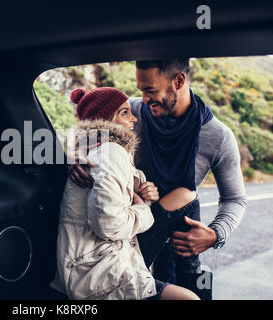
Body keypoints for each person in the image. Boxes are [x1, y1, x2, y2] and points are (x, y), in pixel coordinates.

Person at [68, 59, 247, 300]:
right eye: (141, 90)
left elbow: (235, 199)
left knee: (179, 269)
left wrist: (215, 234)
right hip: (129, 230)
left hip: (175, 236)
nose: (142, 99)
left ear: (179, 81)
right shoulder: (131, 114)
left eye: (150, 90)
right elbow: (92, 124)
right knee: (188, 198)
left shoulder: (218, 137)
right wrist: (76, 150)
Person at [50, 87, 199, 300]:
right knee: (190, 298)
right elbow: (108, 224)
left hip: (98, 255)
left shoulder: (100, 149)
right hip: (98, 270)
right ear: (106, 119)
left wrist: (144, 191)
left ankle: (175, 279)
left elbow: (113, 194)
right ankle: (190, 279)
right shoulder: (111, 151)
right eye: (124, 113)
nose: (134, 119)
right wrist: (143, 210)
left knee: (186, 196)